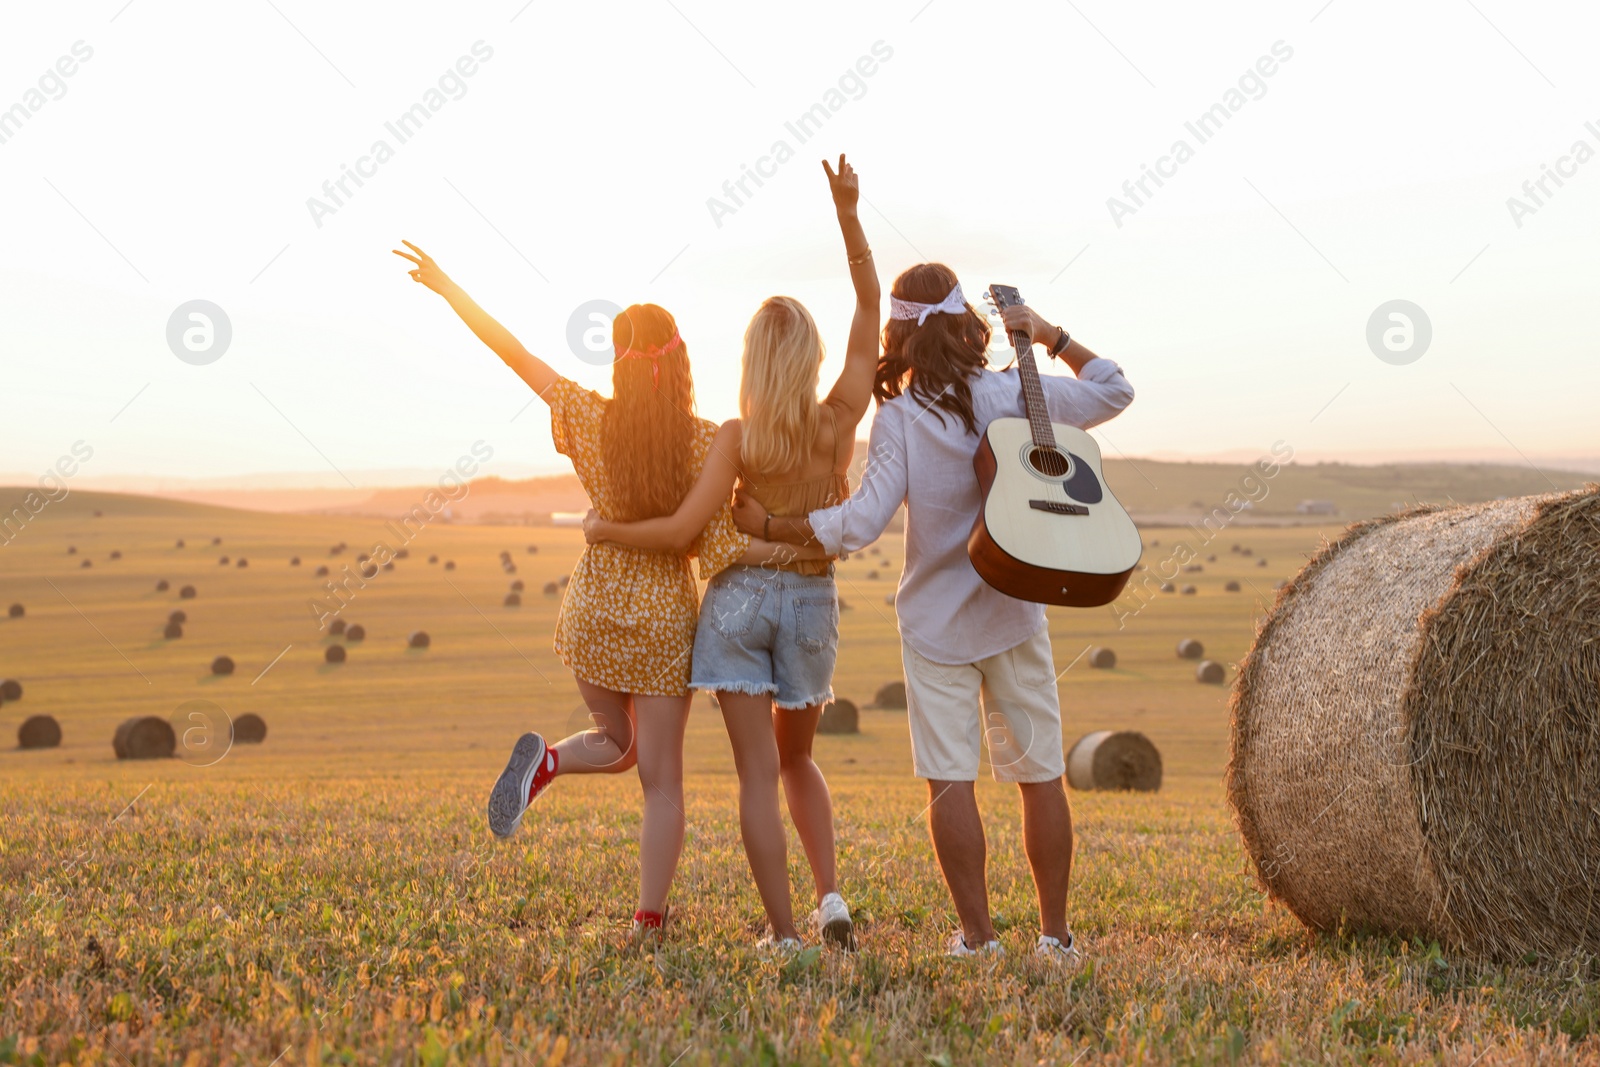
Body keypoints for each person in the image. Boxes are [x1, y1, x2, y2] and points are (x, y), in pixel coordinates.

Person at [393, 241, 819, 940]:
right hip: (660, 625)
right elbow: (714, 544)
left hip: (592, 609)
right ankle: (647, 917)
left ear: (616, 361)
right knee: (660, 783)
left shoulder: (588, 417)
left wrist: (449, 289)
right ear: (680, 361)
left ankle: (552, 761)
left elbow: (515, 353)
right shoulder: (708, 441)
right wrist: (797, 543)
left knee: (615, 741)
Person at [734, 262, 1134, 964]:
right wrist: (1047, 334)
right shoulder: (1012, 390)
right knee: (1039, 773)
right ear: (965, 324)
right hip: (1013, 613)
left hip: (936, 628)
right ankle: (1055, 937)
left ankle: (978, 940)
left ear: (899, 334)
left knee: (951, 780)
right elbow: (1114, 388)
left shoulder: (900, 418)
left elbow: (858, 523)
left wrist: (773, 526)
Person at [582, 155, 879, 951]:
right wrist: (849, 216)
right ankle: (831, 896)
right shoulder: (837, 420)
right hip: (813, 603)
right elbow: (869, 306)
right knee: (798, 764)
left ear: (751, 363)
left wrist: (608, 527)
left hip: (740, 603)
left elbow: (684, 528)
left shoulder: (736, 438)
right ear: (812, 359)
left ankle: (782, 934)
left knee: (755, 777)